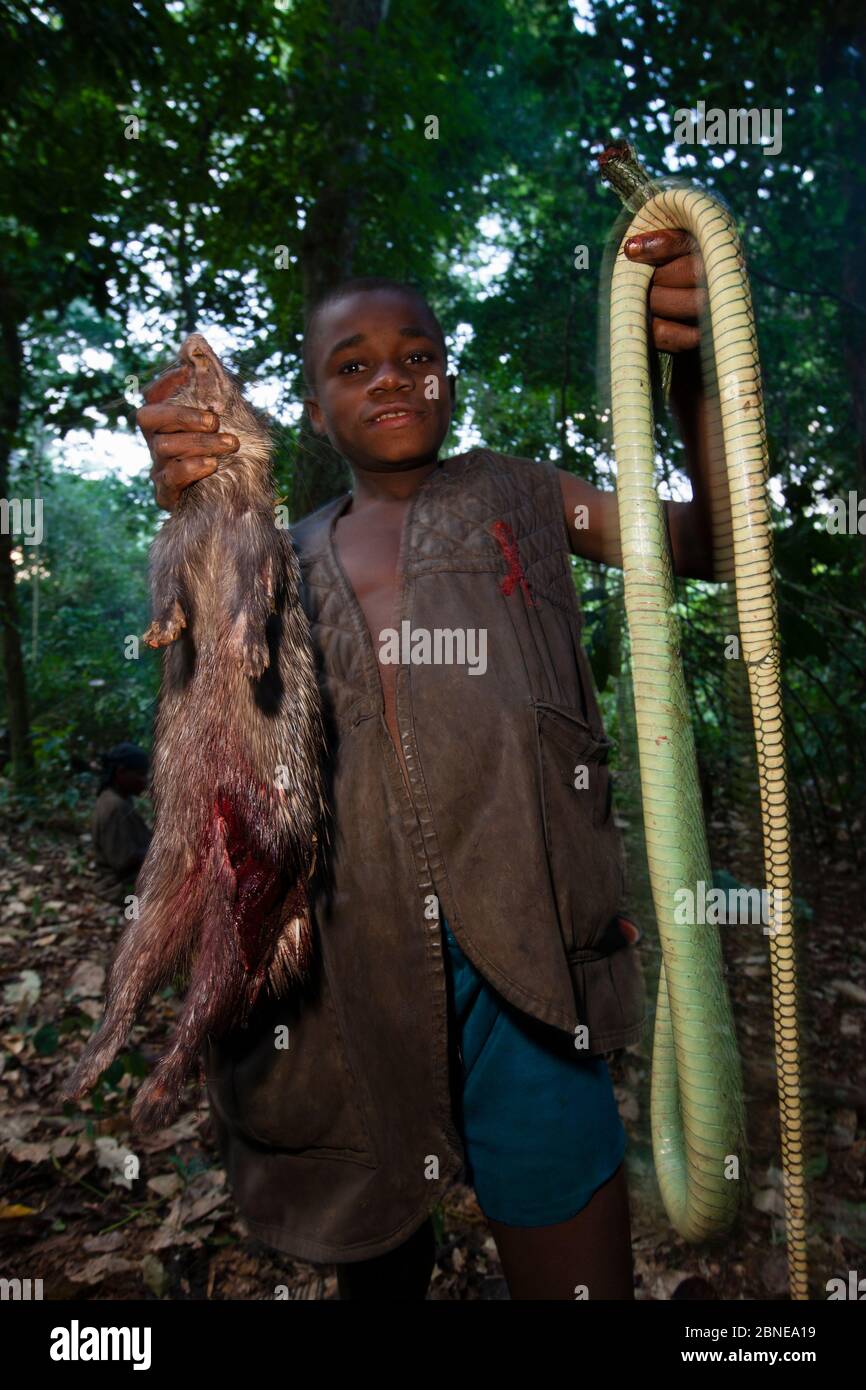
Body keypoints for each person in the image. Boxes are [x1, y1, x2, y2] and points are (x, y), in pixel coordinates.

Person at [136, 228, 719, 1300]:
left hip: (529, 952)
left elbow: (700, 541)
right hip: (344, 970)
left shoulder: (520, 496)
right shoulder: (283, 555)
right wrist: (202, 521)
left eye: (416, 354)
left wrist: (692, 369)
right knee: (375, 1235)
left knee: (568, 1231)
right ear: (313, 411)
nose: (391, 377)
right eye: (352, 367)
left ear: (448, 375)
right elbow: (215, 740)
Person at [91, 742, 152, 894]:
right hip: (120, 888)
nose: (145, 781)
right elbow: (125, 861)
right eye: (140, 774)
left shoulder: (118, 799)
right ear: (121, 772)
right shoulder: (114, 805)